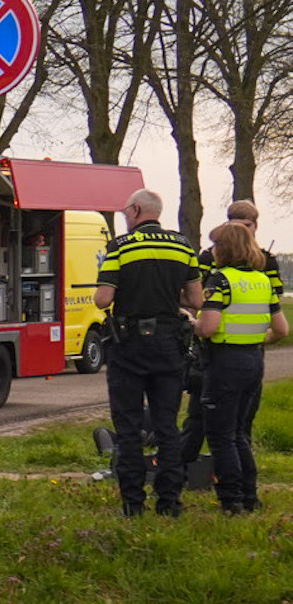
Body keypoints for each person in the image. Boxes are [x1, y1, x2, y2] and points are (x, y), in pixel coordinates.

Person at [96, 188, 203, 516]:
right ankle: (170, 502)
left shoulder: (119, 247)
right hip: (169, 344)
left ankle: (133, 504)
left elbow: (103, 299)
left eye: (127, 211)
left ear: (138, 210)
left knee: (128, 426)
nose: (125, 216)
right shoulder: (183, 246)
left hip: (129, 346)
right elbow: (196, 300)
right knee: (167, 424)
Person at [175, 199, 282, 471]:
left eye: (247, 226)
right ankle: (187, 465)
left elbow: (206, 317)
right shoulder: (210, 261)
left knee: (226, 430)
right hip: (238, 354)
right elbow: (278, 322)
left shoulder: (239, 271)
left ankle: (231, 494)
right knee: (205, 417)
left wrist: (194, 321)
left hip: (225, 352)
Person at [193, 219, 285, 514]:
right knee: (240, 432)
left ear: (225, 248)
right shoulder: (262, 280)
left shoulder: (219, 280)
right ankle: (250, 494)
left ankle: (230, 500)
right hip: (253, 360)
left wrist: (191, 321)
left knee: (221, 434)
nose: (213, 249)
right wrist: (256, 338)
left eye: (216, 244)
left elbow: (208, 328)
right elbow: (282, 329)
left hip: (224, 362)